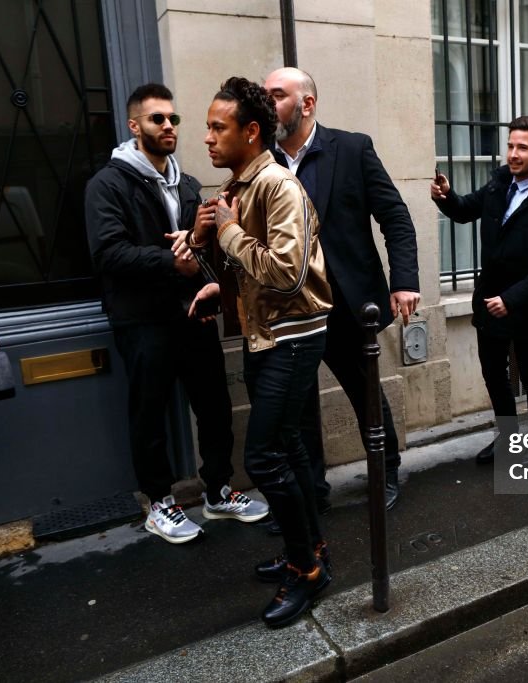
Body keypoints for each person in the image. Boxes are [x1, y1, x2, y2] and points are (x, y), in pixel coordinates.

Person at [85, 83, 267, 545]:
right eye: (157, 119)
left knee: (214, 404)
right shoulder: (107, 184)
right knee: (150, 412)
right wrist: (170, 261)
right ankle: (159, 503)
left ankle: (219, 491)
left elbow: (197, 247)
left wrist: (202, 239)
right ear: (134, 126)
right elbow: (108, 253)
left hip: (191, 314)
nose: (169, 127)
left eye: (173, 119)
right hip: (142, 318)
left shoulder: (185, 183)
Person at [187, 76, 333, 628]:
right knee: (290, 448)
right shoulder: (242, 188)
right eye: (207, 127)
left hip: (291, 337)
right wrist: (214, 276)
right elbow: (253, 273)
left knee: (264, 459)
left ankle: (306, 571)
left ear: (251, 132)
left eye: (217, 127)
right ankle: (311, 552)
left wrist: (225, 233)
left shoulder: (276, 184)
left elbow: (289, 273)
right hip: (265, 334)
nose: (207, 138)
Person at [263, 67, 420, 511]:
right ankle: (310, 492)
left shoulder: (351, 149)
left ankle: (385, 472)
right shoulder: (262, 161)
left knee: (365, 393)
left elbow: (395, 217)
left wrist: (404, 281)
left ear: (306, 104)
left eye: (276, 95)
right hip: (290, 307)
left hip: (347, 303)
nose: (267, 103)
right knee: (294, 406)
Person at [431, 116, 528, 463]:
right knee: (494, 374)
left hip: (526, 305)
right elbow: (465, 211)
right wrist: (447, 197)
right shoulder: (498, 186)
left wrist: (511, 300)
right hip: (489, 300)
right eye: (510, 146)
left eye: (521, 147)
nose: (512, 154)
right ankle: (508, 440)